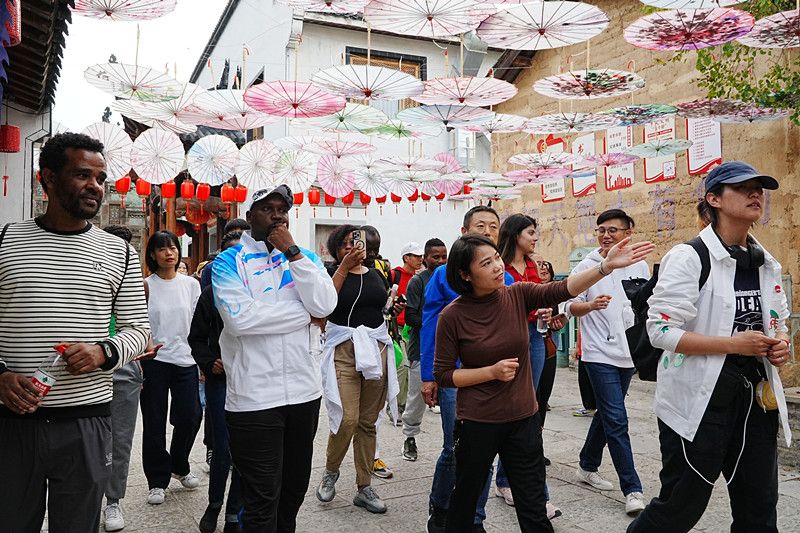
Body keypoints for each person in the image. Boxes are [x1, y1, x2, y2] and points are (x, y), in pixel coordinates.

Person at [434, 233, 654, 533]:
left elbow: (562, 289)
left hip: (523, 418)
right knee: (466, 503)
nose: (498, 267)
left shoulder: (518, 294)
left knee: (534, 505)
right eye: (486, 263)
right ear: (464, 274)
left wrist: (605, 267)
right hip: (477, 422)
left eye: (497, 258)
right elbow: (444, 375)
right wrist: (491, 372)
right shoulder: (452, 315)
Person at [628, 161, 791, 533]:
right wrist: (733, 344)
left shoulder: (766, 263)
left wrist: (779, 344)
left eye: (759, 187)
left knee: (759, 509)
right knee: (681, 507)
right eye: (743, 187)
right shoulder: (689, 257)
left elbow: (778, 321)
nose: (756, 194)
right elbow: (660, 331)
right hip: (699, 404)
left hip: (754, 403)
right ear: (713, 199)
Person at [0, 132, 150, 532]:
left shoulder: (119, 251)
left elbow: (139, 329)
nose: (94, 187)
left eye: (101, 179)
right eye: (82, 175)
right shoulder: (5, 241)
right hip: (13, 422)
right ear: (47, 178)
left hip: (87, 422)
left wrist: (103, 351)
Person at [212, 185, 337, 532]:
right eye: (267, 208)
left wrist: (293, 253)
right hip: (254, 399)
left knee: (293, 492)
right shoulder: (227, 262)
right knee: (261, 498)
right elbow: (240, 320)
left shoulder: (306, 259)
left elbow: (325, 306)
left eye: (283, 208)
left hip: (304, 393)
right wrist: (304, 314)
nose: (277, 214)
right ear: (250, 216)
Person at [420, 205, 511, 533]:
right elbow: (431, 322)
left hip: (494, 377)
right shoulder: (444, 275)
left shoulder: (506, 276)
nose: (487, 231)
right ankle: (441, 505)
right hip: (455, 376)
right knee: (453, 449)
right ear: (464, 231)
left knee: (483, 452)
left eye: (493, 226)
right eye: (480, 226)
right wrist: (429, 375)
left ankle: (474, 519)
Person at [565, 209, 649, 516]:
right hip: (598, 354)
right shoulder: (590, 266)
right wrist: (589, 305)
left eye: (613, 230)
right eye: (601, 230)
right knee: (616, 418)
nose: (606, 235)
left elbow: (645, 304)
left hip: (628, 354)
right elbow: (568, 306)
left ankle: (587, 465)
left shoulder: (639, 264)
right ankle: (633, 489)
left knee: (607, 414)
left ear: (628, 233)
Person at [316, 225, 401, 514]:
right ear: (335, 248)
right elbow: (323, 308)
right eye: (346, 244)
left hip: (376, 349)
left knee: (368, 422)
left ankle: (364, 486)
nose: (353, 248)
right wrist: (343, 267)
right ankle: (331, 471)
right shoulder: (329, 275)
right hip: (344, 350)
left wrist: (392, 307)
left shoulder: (377, 273)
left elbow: (380, 308)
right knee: (346, 418)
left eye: (357, 242)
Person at [140, 230, 203, 505]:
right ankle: (157, 480)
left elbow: (197, 323)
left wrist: (202, 357)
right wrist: (144, 351)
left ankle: (179, 464)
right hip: (155, 360)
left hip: (186, 360)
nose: (169, 253)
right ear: (152, 254)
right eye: (162, 249)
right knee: (154, 422)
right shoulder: (145, 285)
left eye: (173, 247)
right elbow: (139, 323)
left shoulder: (191, 284)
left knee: (190, 416)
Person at [189, 230, 244, 533]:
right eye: (231, 254)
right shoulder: (210, 294)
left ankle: (235, 511)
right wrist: (211, 362)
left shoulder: (258, 293)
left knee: (244, 449)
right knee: (222, 447)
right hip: (220, 379)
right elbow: (196, 339)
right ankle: (214, 504)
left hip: (251, 380)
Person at [101, 224, 148, 532]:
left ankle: (113, 501)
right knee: (85, 440)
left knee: (120, 440)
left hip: (125, 369)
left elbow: (142, 327)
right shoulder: (85, 280)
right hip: (81, 371)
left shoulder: (137, 286)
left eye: (128, 254)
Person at [401, 238, 448, 461]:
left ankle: (452, 441)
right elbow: (410, 316)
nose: (440, 261)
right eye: (435, 257)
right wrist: (440, 322)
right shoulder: (418, 282)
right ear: (425, 259)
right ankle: (410, 437)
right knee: (416, 398)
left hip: (450, 349)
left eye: (443, 257)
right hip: (421, 348)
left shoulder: (452, 278)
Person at [389, 241, 425, 422]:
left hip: (414, 329)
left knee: (413, 368)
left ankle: (407, 406)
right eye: (416, 256)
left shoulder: (420, 278)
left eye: (421, 256)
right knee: (402, 365)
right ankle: (396, 406)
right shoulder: (394, 275)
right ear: (406, 258)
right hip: (397, 328)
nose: (420, 259)